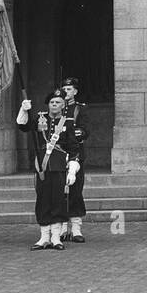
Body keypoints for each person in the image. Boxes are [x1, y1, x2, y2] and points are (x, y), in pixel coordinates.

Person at [17, 92, 82, 250]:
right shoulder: (40, 118)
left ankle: (56, 237)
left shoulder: (68, 122)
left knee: (58, 202)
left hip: (59, 167)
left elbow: (74, 148)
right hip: (42, 167)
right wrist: (24, 110)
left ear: (63, 105)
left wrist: (72, 169)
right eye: (52, 102)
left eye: (58, 102)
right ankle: (44, 237)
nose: (54, 104)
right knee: (43, 201)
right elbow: (23, 126)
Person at [60, 77, 90, 243]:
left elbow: (85, 130)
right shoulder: (57, 107)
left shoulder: (80, 109)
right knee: (60, 192)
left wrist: (76, 133)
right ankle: (63, 227)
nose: (66, 92)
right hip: (59, 154)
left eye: (69, 89)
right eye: (64, 88)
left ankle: (76, 228)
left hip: (75, 154)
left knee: (75, 191)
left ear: (75, 91)